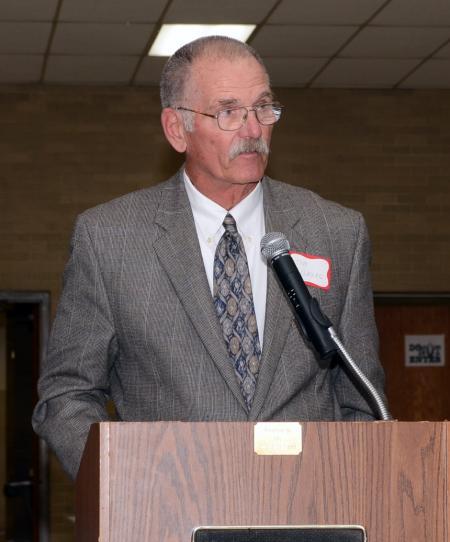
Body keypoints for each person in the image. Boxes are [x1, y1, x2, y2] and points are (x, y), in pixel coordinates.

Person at [32, 36, 385, 480]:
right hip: (165, 522)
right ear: (177, 129)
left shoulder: (336, 232)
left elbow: (362, 398)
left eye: (263, 107)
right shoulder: (110, 240)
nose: (253, 129)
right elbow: (66, 395)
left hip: (307, 519)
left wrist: (337, 486)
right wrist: (123, 487)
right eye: (229, 111)